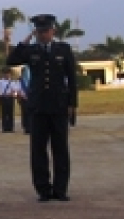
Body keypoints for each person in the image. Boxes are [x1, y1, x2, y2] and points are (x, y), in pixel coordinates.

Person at [7, 14, 78, 202]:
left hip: (59, 105)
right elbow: (11, 60)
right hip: (38, 107)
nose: (43, 35)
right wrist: (26, 40)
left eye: (45, 31)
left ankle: (60, 189)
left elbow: (72, 78)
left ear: (53, 31)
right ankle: (43, 189)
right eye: (39, 31)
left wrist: (72, 104)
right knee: (38, 150)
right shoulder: (31, 51)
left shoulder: (63, 49)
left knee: (60, 149)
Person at [0, 68, 19, 133]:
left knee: (10, 113)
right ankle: (4, 128)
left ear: (10, 74)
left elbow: (15, 90)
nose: (7, 75)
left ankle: (10, 128)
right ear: (3, 74)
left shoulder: (12, 82)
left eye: (8, 74)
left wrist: (12, 94)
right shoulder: (0, 81)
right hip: (3, 98)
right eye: (6, 74)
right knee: (4, 113)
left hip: (10, 98)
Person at [18, 65, 31, 134]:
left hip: (30, 98)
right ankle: (26, 127)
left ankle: (30, 127)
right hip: (23, 98)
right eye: (24, 72)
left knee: (30, 113)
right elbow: (18, 89)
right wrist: (22, 95)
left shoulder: (30, 79)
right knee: (24, 113)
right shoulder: (20, 80)